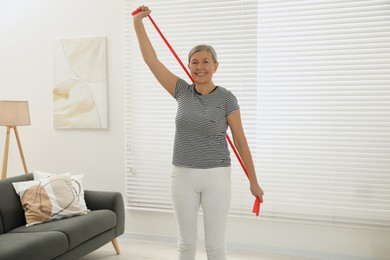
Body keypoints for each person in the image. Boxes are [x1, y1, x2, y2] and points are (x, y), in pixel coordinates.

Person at [133, 6, 263, 260]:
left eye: (205, 61)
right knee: (186, 244)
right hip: (182, 176)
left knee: (215, 246)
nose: (200, 66)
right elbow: (151, 60)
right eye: (194, 61)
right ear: (189, 66)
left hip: (217, 176)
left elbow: (240, 141)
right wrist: (138, 22)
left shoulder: (227, 98)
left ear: (215, 65)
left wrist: (253, 181)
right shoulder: (181, 91)